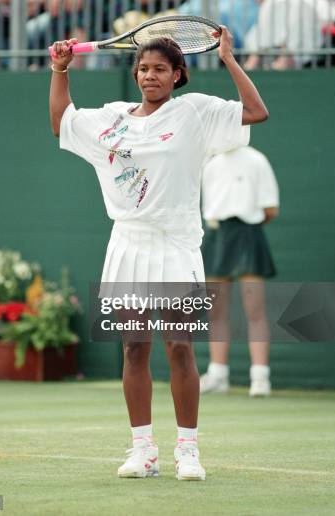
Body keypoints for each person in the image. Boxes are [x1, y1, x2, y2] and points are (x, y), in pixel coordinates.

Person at [49, 27, 269, 480]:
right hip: (127, 243)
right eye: (144, 69)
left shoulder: (196, 113)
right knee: (134, 350)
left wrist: (228, 58)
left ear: (177, 75)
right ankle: (142, 450)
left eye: (160, 70)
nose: (150, 76)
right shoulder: (112, 119)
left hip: (177, 243)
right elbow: (61, 122)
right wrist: (60, 70)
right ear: (135, 73)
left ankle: (187, 451)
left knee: (180, 348)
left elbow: (256, 111)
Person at [200, 146, 279, 396]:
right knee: (216, 312)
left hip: (248, 235)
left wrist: (247, 223)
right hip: (216, 235)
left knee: (255, 311)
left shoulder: (258, 160)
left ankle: (260, 378)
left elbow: (270, 209)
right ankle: (218, 376)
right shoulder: (210, 164)